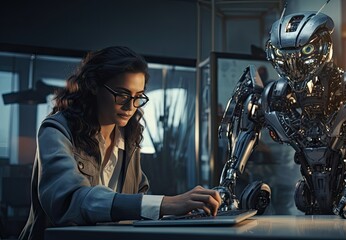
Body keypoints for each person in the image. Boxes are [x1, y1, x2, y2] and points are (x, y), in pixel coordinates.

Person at [19, 46, 221, 240]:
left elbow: (138, 194)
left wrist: (184, 213)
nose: (130, 106)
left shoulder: (129, 136)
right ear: (94, 87)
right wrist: (165, 204)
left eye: (138, 97)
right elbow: (68, 202)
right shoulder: (56, 130)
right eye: (122, 94)